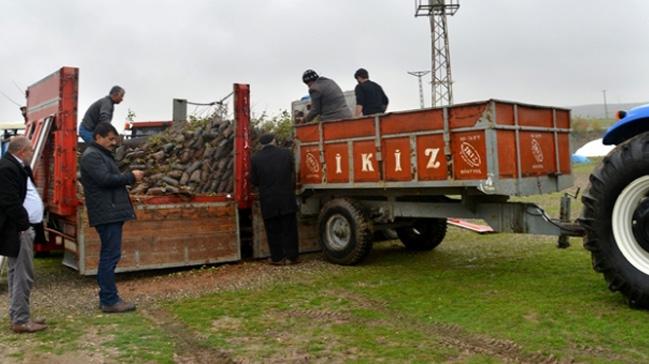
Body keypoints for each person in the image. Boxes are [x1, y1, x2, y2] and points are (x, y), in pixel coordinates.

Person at [79, 122, 144, 313]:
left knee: (110, 255)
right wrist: (130, 177)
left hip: (110, 212)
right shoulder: (92, 156)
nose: (113, 143)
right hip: (107, 213)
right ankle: (109, 300)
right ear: (98, 137)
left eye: (114, 139)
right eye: (110, 139)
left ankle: (108, 298)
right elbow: (105, 180)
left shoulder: (100, 155)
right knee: (110, 256)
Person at [0, 136, 47, 333]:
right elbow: (9, 200)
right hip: (18, 229)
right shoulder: (7, 169)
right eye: (30, 150)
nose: (31, 153)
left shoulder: (17, 166)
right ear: (21, 152)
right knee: (22, 274)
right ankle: (20, 319)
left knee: (16, 272)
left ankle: (19, 313)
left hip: (21, 227)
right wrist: (23, 225)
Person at [251, 133, 300, 265]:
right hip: (286, 197)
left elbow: (254, 181)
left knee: (273, 230)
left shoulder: (255, 158)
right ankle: (292, 257)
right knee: (289, 229)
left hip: (268, 199)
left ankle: (277, 258)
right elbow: (293, 173)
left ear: (261, 144)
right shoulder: (286, 154)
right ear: (274, 141)